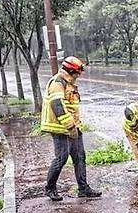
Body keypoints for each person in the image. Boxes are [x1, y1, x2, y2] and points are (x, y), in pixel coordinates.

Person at [40, 56, 101, 201]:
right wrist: (70, 125)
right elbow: (57, 106)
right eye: (77, 73)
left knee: (79, 156)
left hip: (73, 126)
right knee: (61, 158)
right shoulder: (57, 83)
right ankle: (50, 188)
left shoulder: (69, 82)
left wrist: (75, 126)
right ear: (70, 71)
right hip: (60, 127)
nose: (79, 75)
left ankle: (83, 188)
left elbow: (72, 106)